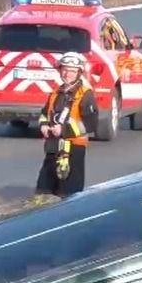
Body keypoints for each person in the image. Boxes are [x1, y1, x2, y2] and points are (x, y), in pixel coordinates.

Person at [36, 52, 98, 198]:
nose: (67, 74)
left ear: (79, 73)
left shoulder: (85, 94)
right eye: (64, 69)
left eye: (72, 71)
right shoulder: (56, 93)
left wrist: (64, 130)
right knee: (43, 191)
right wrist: (44, 125)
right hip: (53, 147)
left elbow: (90, 123)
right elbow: (44, 113)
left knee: (69, 193)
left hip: (73, 149)